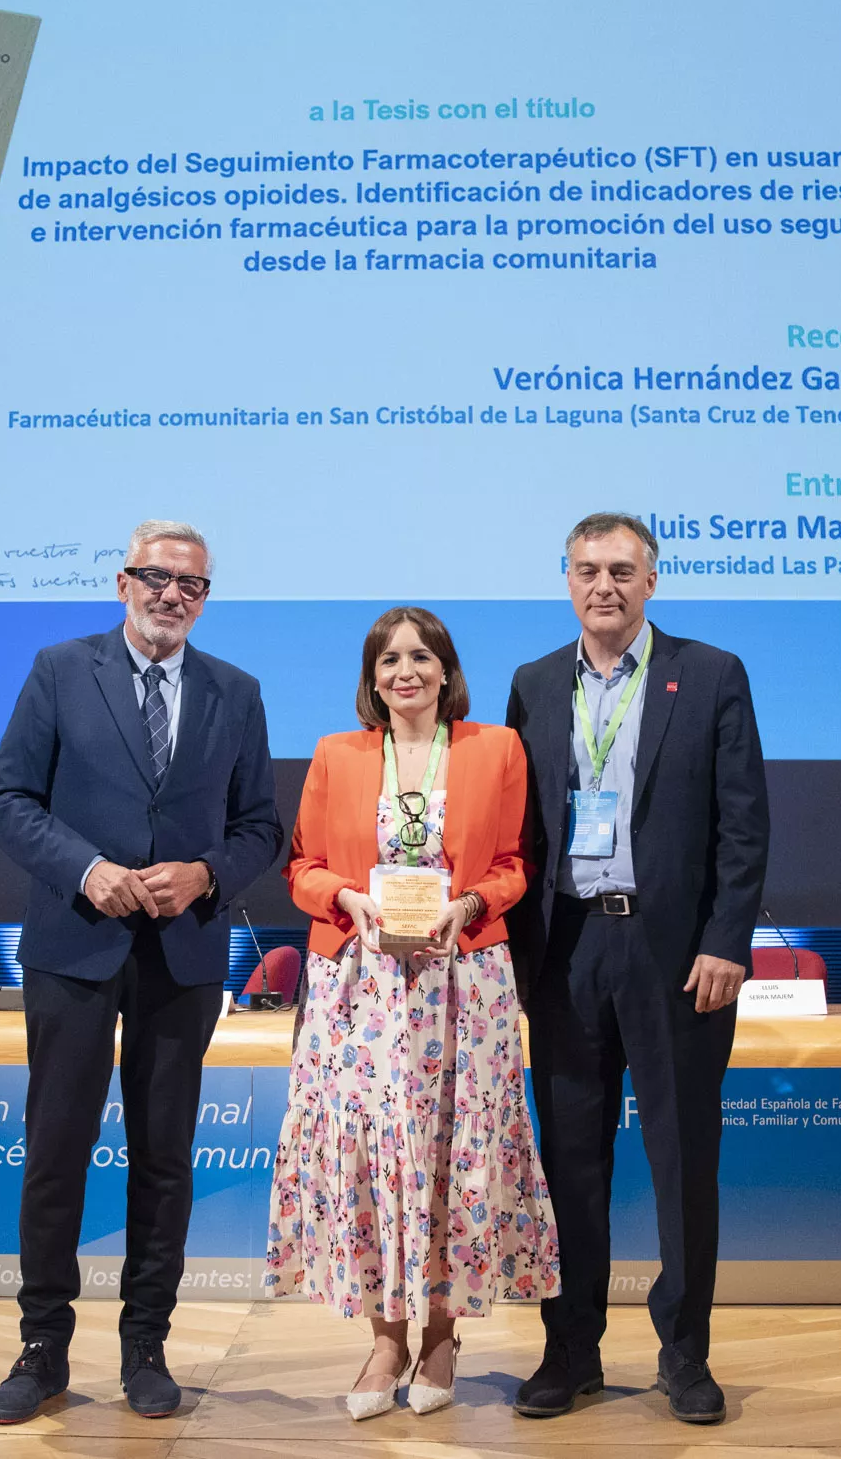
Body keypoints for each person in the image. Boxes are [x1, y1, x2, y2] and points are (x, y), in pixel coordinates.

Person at [0, 520, 284, 1423]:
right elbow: (6, 799)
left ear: (204, 598)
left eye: (190, 586)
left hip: (182, 953)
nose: (170, 596)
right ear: (123, 582)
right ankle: (42, 1350)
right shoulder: (61, 669)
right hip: (75, 945)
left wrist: (206, 873)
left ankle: (147, 1345)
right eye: (156, 578)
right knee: (57, 1150)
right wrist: (86, 867)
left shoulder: (238, 691)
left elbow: (259, 825)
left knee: (163, 1158)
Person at [504, 512, 769, 1425]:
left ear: (651, 581)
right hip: (568, 951)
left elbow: (745, 825)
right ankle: (570, 1349)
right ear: (566, 581)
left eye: (621, 569)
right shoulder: (534, 684)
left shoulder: (711, 675)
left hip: (675, 956)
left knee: (684, 1160)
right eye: (587, 570)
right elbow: (521, 831)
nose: (603, 585)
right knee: (569, 1162)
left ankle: (684, 1353)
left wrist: (727, 939)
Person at [266, 607, 558, 1420]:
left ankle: (440, 1335)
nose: (406, 671)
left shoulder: (496, 748)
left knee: (451, 1153)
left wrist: (469, 902)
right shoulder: (336, 754)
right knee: (372, 1156)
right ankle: (385, 1337)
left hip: (465, 983)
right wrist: (348, 899)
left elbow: (513, 865)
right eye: (390, 659)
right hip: (360, 989)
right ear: (371, 677)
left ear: (446, 668)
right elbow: (303, 868)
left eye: (421, 656)